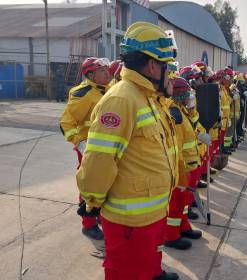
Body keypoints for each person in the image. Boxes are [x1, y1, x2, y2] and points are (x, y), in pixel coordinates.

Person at [76, 22, 179, 280]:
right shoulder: (121, 99)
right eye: (167, 67)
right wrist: (92, 202)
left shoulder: (146, 97)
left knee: (147, 263)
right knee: (127, 272)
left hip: (150, 213)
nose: (170, 74)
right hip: (130, 221)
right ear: (153, 65)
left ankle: (153, 272)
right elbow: (99, 160)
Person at [59, 56, 110, 241]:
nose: (107, 73)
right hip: (89, 148)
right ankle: (88, 225)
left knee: (106, 184)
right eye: (102, 71)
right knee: (90, 186)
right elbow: (66, 122)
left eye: (106, 70)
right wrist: (80, 143)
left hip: (107, 149)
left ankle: (101, 216)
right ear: (90, 74)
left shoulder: (109, 90)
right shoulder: (84, 93)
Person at [165, 77, 204, 251]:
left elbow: (193, 127)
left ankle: (183, 226)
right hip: (183, 167)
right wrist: (180, 170)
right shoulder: (175, 114)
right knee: (176, 202)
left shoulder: (182, 111)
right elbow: (176, 146)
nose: (190, 96)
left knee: (184, 202)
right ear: (179, 95)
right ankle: (171, 235)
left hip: (190, 164)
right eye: (187, 93)